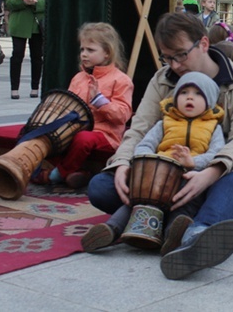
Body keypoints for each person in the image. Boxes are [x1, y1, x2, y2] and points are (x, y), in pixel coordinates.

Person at [87, 12, 233, 280]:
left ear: (203, 44)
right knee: (101, 187)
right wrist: (122, 163)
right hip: (160, 179)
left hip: (215, 175)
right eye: (167, 57)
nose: (175, 65)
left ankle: (196, 236)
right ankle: (209, 217)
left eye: (181, 55)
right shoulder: (162, 79)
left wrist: (210, 172)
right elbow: (140, 129)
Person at [81, 72, 224, 253]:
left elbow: (216, 153)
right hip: (159, 176)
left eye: (197, 94)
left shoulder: (213, 127)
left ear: (209, 101)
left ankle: (173, 234)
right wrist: (148, 162)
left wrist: (192, 162)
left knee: (184, 206)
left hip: (189, 179)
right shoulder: (164, 123)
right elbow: (145, 145)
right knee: (138, 202)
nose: (189, 97)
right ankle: (110, 230)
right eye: (184, 92)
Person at [32, 22, 134, 188]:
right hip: (76, 130)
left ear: (107, 53)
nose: (84, 54)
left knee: (83, 138)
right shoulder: (78, 78)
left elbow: (122, 116)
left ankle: (56, 175)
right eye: (82, 49)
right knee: (45, 132)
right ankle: (75, 174)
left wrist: (100, 101)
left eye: (90, 50)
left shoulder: (121, 80)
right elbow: (68, 106)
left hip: (106, 135)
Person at [6, 0, 46, 100]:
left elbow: (50, 3)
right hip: (19, 24)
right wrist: (23, 1)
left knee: (37, 56)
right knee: (17, 55)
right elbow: (9, 3)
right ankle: (14, 89)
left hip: (36, 25)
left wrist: (37, 3)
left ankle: (35, 87)